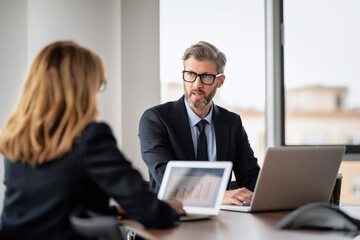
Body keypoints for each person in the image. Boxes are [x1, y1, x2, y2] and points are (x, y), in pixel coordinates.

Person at [0, 40, 185, 240]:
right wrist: (171, 209)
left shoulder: (18, 137)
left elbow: (48, 213)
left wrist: (115, 212)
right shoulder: (90, 137)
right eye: (98, 84)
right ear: (81, 88)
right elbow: (150, 212)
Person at [139, 41, 260, 206]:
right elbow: (167, 178)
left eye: (206, 77)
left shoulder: (232, 123)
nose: (196, 85)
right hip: (171, 220)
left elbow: (250, 176)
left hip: (222, 220)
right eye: (190, 74)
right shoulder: (155, 120)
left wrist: (273, 196)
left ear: (220, 81)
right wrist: (219, 195)